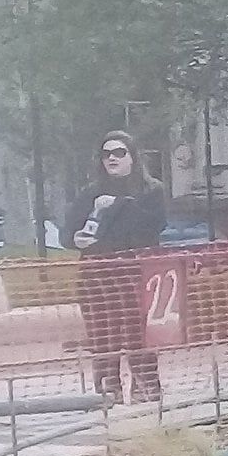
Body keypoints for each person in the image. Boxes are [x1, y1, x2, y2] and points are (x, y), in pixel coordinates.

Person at [66, 130, 167, 402]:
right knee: (102, 335)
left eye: (119, 152)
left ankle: (145, 386)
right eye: (106, 153)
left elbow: (153, 225)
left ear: (133, 157)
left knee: (139, 333)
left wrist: (118, 205)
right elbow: (69, 234)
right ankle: (108, 390)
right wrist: (78, 238)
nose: (112, 158)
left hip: (136, 273)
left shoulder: (151, 190)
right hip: (96, 275)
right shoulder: (89, 193)